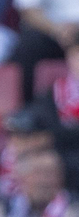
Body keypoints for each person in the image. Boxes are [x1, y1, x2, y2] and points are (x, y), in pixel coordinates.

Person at [11, 0, 79, 101]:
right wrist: (57, 30)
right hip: (52, 30)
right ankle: (28, 109)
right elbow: (28, 8)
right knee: (28, 44)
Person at [33, 42, 79, 187]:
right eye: (76, 56)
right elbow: (49, 128)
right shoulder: (52, 92)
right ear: (68, 59)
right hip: (61, 152)